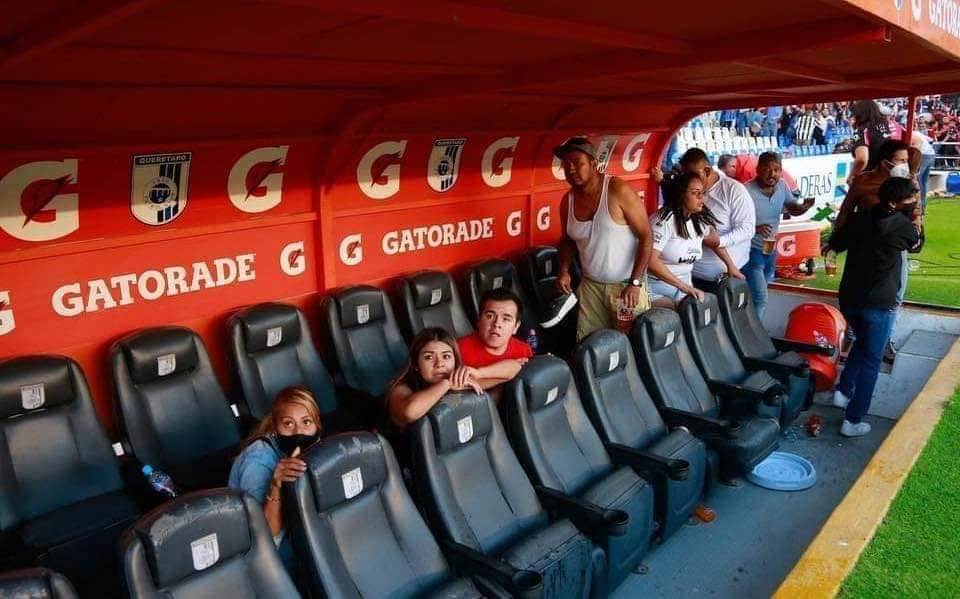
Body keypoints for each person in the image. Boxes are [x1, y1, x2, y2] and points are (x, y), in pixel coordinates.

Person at [829, 178, 921, 437]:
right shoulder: (902, 226)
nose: (913, 203)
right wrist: (917, 221)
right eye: (909, 199)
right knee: (872, 360)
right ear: (893, 202)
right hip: (878, 304)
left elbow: (837, 242)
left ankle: (843, 391)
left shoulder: (861, 218)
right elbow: (917, 244)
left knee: (862, 343)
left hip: (850, 299)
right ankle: (853, 420)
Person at [555, 136, 653, 340]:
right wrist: (563, 271)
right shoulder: (567, 201)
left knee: (629, 343)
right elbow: (568, 240)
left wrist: (635, 283)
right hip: (591, 287)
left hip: (625, 287)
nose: (571, 169)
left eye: (577, 163)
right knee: (590, 344)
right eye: (566, 164)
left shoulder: (618, 190)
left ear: (594, 164)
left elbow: (646, 235)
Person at [228, 386, 323, 574]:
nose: (298, 431)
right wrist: (276, 485)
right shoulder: (258, 460)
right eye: (288, 424)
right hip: (260, 551)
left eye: (306, 422)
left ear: (317, 425)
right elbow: (267, 538)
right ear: (275, 427)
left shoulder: (314, 447)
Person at [648, 172, 742, 308]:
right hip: (656, 289)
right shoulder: (664, 220)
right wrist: (684, 287)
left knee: (698, 313)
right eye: (695, 193)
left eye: (703, 193)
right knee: (677, 315)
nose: (701, 197)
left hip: (683, 288)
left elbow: (715, 243)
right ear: (681, 194)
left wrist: (731, 266)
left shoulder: (698, 219)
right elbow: (651, 260)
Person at [743, 152, 815, 317]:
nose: (772, 174)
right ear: (758, 170)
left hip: (770, 249)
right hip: (750, 251)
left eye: (776, 170)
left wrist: (803, 207)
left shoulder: (782, 186)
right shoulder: (746, 190)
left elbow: (792, 208)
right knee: (760, 298)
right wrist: (755, 228)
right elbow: (735, 221)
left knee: (759, 294)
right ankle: (754, 331)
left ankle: (745, 324)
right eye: (768, 169)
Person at [677, 148, 756, 293]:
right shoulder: (685, 192)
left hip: (728, 278)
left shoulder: (734, 190)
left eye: (693, 175)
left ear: (707, 171)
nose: (689, 180)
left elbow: (747, 230)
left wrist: (720, 241)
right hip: (690, 278)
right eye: (685, 176)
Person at [387, 327, 483, 431]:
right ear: (416, 364)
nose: (439, 364)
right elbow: (410, 412)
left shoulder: (456, 385)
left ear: (455, 361)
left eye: (446, 356)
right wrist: (447, 384)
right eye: (429, 357)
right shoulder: (400, 388)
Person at [458, 288, 533, 398]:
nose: (497, 324)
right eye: (490, 316)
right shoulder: (458, 350)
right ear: (479, 320)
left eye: (506, 319)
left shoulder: (523, 350)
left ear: (516, 327)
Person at [848, 99, 891, 183]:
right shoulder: (887, 126)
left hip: (870, 179)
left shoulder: (861, 131)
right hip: (887, 175)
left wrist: (852, 176)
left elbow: (862, 159)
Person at [910, 119, 937, 213]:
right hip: (931, 155)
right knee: (923, 183)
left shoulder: (913, 134)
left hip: (923, 155)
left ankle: (919, 207)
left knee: (918, 181)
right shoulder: (918, 133)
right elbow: (931, 140)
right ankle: (923, 207)